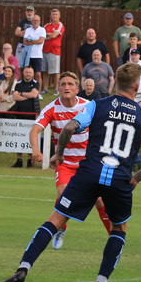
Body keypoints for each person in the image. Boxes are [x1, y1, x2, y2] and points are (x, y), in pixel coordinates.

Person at [0, 62, 141, 282]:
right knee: (119, 228)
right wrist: (136, 178)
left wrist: (59, 153)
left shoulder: (96, 105)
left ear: (114, 82)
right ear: (137, 86)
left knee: (56, 218)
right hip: (119, 179)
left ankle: (23, 268)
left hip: (88, 173)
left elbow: (68, 128)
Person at [29, 71, 113, 247]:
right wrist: (36, 150)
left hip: (88, 162)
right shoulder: (52, 108)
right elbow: (35, 130)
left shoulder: (88, 105)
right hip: (65, 163)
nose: (66, 87)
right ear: (59, 88)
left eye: (70, 84)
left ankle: (114, 237)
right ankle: (61, 227)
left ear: (77, 88)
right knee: (64, 196)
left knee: (99, 200)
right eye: (63, 84)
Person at [11, 65, 41, 168]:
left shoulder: (36, 83)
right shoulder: (18, 84)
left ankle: (29, 160)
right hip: (19, 113)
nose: (28, 74)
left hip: (31, 114)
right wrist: (27, 96)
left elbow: (34, 95)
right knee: (19, 136)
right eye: (26, 72)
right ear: (23, 73)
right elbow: (15, 97)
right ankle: (19, 160)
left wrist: (22, 94)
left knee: (30, 137)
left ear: (33, 74)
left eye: (30, 72)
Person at [22, 13, 47, 94]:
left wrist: (31, 41)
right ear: (32, 21)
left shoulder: (42, 30)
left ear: (39, 21)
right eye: (34, 20)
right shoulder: (28, 30)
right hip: (28, 55)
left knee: (38, 74)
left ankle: (38, 92)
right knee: (27, 74)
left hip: (38, 55)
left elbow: (40, 41)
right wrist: (35, 41)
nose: (36, 22)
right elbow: (25, 42)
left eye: (37, 20)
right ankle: (27, 89)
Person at [42, 9, 65, 95]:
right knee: (44, 71)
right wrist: (48, 34)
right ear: (51, 16)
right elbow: (42, 34)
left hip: (54, 51)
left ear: (59, 16)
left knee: (55, 71)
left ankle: (56, 88)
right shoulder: (46, 25)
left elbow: (54, 35)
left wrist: (46, 36)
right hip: (44, 50)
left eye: (56, 14)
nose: (54, 16)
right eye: (53, 14)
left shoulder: (60, 25)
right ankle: (45, 88)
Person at [13, 5, 35, 70]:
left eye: (31, 11)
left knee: (29, 65)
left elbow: (37, 35)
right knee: (19, 65)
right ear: (25, 12)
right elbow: (17, 33)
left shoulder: (36, 22)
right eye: (28, 11)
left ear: (34, 12)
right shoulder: (22, 22)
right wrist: (29, 35)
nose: (29, 13)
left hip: (32, 46)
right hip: (22, 45)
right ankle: (19, 79)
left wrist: (24, 32)